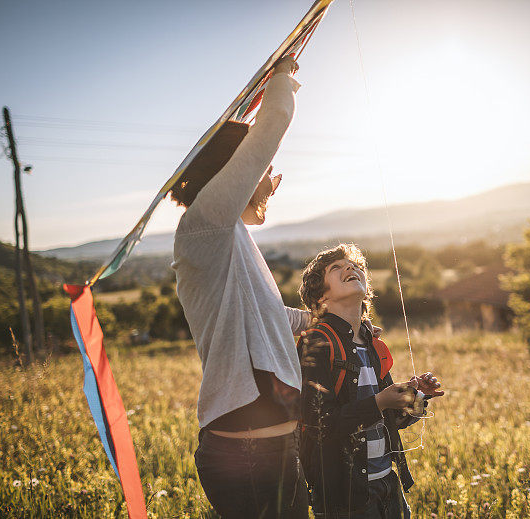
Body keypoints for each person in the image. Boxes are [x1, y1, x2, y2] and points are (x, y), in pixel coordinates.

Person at [170, 56, 310, 518]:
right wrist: (285, 76)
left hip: (283, 450)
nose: (272, 180)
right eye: (266, 171)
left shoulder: (230, 237)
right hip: (244, 459)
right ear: (238, 171)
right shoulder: (204, 225)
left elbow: (270, 317)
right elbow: (269, 127)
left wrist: (330, 319)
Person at [297, 243, 444, 518]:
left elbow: (389, 420)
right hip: (346, 497)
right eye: (336, 268)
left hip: (388, 484)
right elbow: (318, 427)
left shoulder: (371, 343)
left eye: (355, 266)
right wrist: (379, 401)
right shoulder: (317, 342)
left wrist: (415, 397)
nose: (350, 268)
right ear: (321, 296)